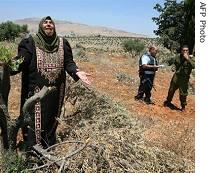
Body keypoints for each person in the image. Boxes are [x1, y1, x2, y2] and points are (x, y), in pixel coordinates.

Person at [10, 16, 91, 149]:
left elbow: (68, 62)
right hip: (35, 92)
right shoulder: (30, 43)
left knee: (52, 118)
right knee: (32, 121)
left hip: (56, 92)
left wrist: (76, 71)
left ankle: (48, 146)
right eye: (45, 23)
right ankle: (32, 150)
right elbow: (21, 61)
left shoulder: (62, 43)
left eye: (50, 23)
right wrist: (7, 67)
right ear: (40, 26)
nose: (48, 25)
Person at [163, 45, 195, 111]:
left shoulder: (191, 58)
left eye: (186, 50)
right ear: (181, 51)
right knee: (171, 90)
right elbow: (175, 64)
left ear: (188, 51)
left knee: (183, 93)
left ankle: (183, 106)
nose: (185, 51)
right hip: (176, 76)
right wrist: (173, 67)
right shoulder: (178, 57)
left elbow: (194, 66)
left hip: (184, 78)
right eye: (184, 50)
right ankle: (168, 101)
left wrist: (187, 58)